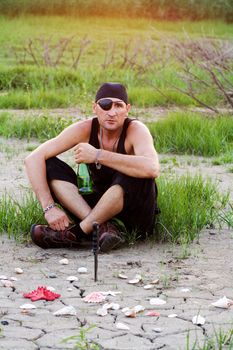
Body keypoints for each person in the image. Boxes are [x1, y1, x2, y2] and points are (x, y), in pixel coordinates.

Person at [25, 82, 160, 252]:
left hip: (133, 216)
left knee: (133, 170)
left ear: (127, 109)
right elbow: (33, 158)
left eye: (118, 106)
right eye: (105, 105)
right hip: (95, 208)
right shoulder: (85, 128)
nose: (112, 112)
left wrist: (97, 155)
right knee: (50, 164)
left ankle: (77, 233)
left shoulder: (136, 129)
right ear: (94, 108)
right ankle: (102, 227)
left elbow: (152, 168)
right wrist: (49, 208)